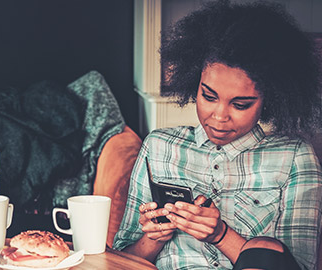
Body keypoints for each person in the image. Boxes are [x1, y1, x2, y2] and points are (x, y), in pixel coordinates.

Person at [113, 1, 322, 269]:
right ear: (194, 85)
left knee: (268, 247)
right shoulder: (159, 146)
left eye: (240, 104)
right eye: (208, 96)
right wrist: (154, 238)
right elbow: (121, 260)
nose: (219, 116)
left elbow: (299, 266)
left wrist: (220, 235)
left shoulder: (294, 156)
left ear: (270, 99)